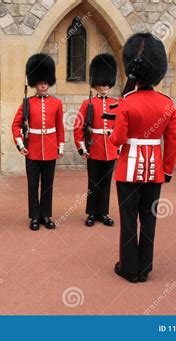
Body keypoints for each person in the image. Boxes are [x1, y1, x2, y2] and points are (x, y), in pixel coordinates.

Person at [110, 33, 176, 283]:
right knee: (148, 219)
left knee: (129, 220)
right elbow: (172, 142)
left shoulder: (127, 102)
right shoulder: (167, 104)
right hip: (155, 171)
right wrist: (167, 170)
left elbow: (117, 140)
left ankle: (129, 268)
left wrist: (113, 131)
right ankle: (144, 268)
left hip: (128, 169)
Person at [11, 53, 65, 231]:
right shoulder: (27, 103)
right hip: (32, 149)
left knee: (48, 185)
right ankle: (34, 216)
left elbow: (59, 126)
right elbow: (15, 124)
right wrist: (20, 145)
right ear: (35, 84)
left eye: (45, 83)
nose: (43, 86)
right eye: (40, 83)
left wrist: (60, 146)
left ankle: (46, 215)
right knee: (33, 185)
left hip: (50, 149)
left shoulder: (56, 103)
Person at [73, 53, 119, 227]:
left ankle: (103, 213)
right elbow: (78, 126)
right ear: (96, 84)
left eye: (106, 84)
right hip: (94, 148)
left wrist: (119, 148)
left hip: (111, 148)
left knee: (106, 183)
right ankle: (91, 213)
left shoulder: (117, 103)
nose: (104, 87)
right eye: (101, 84)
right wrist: (82, 148)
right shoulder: (88, 103)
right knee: (93, 182)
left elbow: (121, 127)